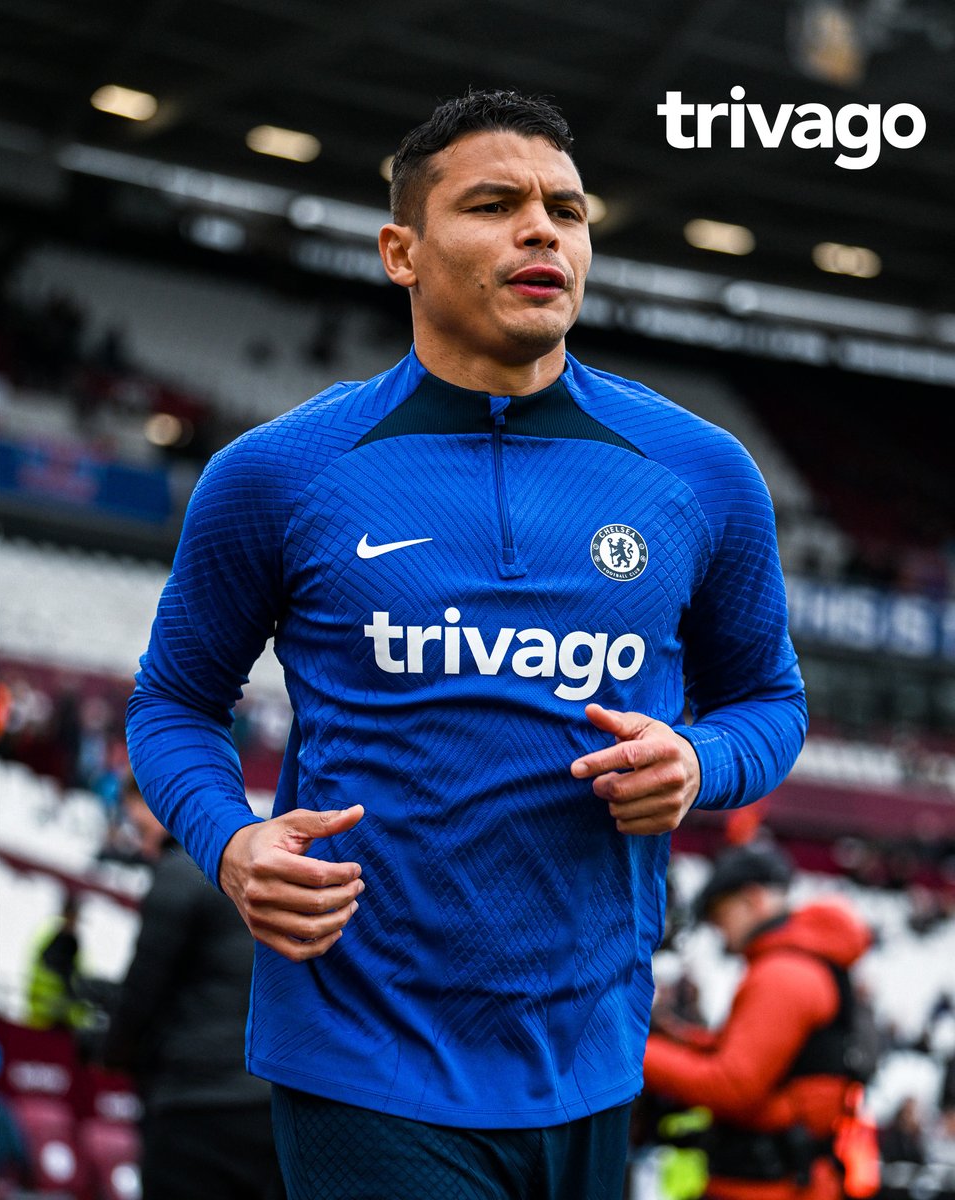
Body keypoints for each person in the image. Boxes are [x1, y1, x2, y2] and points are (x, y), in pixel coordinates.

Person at [125, 88, 808, 1200]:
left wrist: (700, 760)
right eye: (494, 205)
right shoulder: (278, 474)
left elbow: (771, 703)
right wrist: (231, 842)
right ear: (401, 251)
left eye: (567, 211)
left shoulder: (704, 473)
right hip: (361, 1051)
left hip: (592, 1056)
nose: (543, 230)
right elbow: (172, 703)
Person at [642, 842, 874, 1200]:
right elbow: (760, 1060)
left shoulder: (783, 974)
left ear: (752, 900)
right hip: (783, 1181)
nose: (720, 931)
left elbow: (733, 1086)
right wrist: (678, 1039)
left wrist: (634, 1053)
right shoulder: (801, 965)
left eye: (721, 916)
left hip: (767, 1188)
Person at [102, 793, 283, 1200]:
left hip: (194, 1109)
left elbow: (141, 994)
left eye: (140, 825)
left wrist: (110, 1053)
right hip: (271, 1107)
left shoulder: (181, 870)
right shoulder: (269, 872)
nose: (140, 842)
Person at [25, 891, 94, 1031]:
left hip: (62, 1020)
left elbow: (78, 982)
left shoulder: (74, 945)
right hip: (44, 1016)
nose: (72, 921)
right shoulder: (53, 940)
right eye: (71, 915)